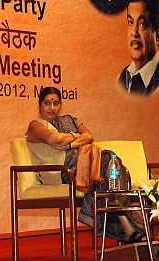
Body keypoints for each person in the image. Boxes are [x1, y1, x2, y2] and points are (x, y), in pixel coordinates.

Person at [26, 87, 143, 243]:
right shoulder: (35, 126)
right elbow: (54, 139)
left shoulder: (70, 120)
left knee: (107, 168)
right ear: (40, 105)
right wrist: (77, 137)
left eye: (56, 103)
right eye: (47, 103)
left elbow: (89, 136)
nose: (52, 108)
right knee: (108, 161)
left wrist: (69, 144)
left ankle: (124, 218)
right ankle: (133, 220)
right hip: (62, 172)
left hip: (85, 167)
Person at [118, 0, 159, 95]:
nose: (134, 33)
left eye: (142, 24)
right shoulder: (122, 79)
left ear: (157, 34)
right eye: (130, 22)